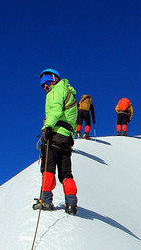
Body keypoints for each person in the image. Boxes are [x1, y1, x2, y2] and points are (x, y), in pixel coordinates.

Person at [33, 68, 78, 215]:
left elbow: (56, 111)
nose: (45, 87)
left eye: (46, 82)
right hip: (67, 138)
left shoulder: (56, 91)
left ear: (54, 79)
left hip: (55, 134)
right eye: (42, 85)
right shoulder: (69, 92)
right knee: (66, 172)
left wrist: (47, 127)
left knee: (48, 166)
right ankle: (71, 203)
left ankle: (46, 200)